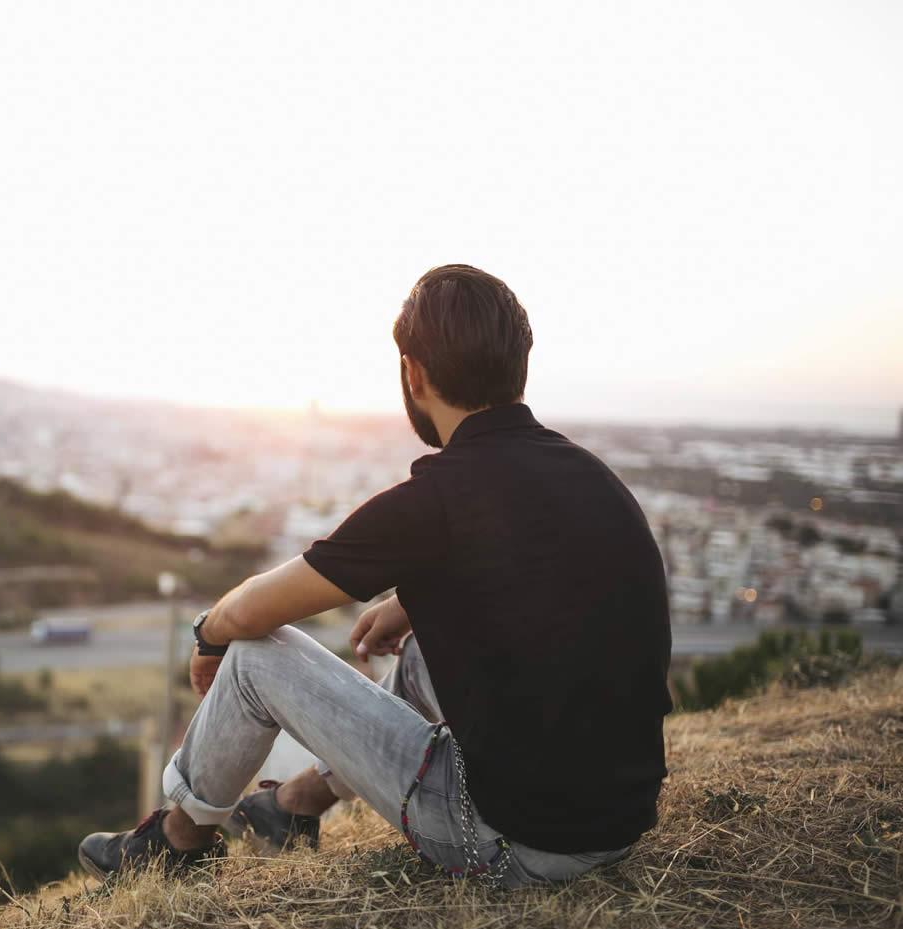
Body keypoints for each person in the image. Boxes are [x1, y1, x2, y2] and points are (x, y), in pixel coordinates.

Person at [78, 264, 672, 889]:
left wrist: (210, 632)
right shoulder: (592, 477)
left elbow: (254, 613)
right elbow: (543, 570)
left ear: (413, 373)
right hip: (617, 822)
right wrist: (411, 604)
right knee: (420, 657)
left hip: (513, 844)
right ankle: (295, 805)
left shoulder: (435, 500)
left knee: (255, 656)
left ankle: (176, 842)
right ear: (519, 364)